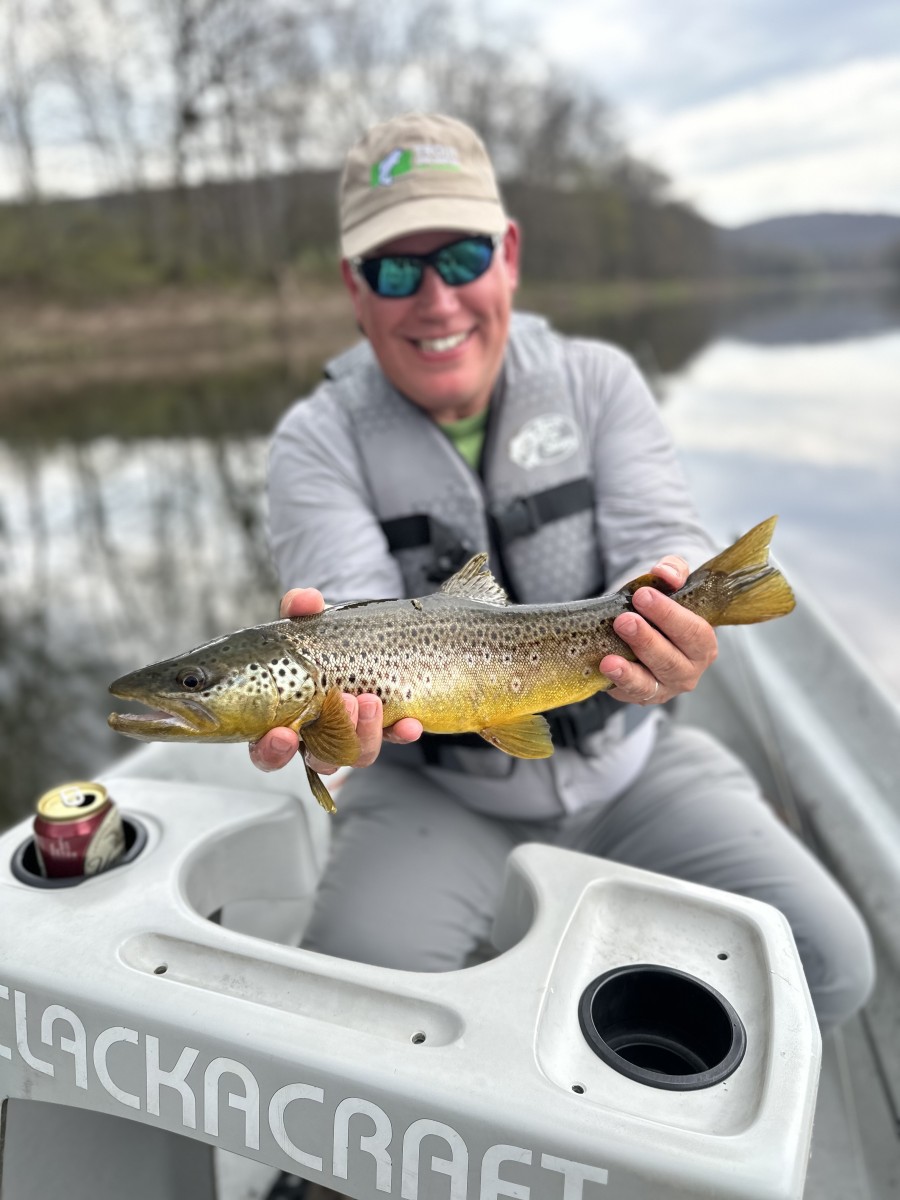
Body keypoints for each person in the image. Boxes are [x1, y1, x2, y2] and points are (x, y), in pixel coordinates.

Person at [252, 112, 873, 1032]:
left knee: (830, 963)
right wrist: (332, 731)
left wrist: (672, 604)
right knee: (347, 1020)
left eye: (459, 258)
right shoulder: (314, 440)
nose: (435, 300)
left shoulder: (598, 380)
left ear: (507, 254)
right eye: (393, 269)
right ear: (355, 287)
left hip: (633, 761)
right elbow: (343, 605)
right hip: (435, 788)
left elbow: (656, 535)